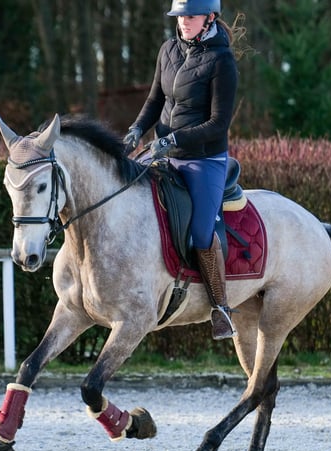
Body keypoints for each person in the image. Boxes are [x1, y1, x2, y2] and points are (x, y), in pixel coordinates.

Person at [123, 0, 239, 340]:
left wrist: (174, 138)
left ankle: (221, 308)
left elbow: (219, 124)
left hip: (203, 160)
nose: (183, 22)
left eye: (190, 17)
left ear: (210, 19)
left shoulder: (223, 61)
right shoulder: (168, 50)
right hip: (162, 151)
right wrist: (136, 129)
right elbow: (154, 101)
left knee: (201, 233)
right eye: (180, 16)